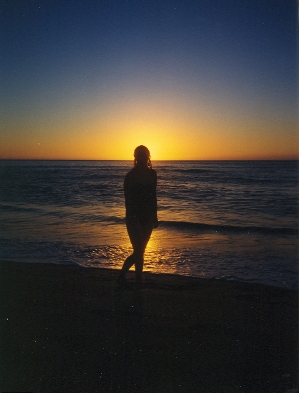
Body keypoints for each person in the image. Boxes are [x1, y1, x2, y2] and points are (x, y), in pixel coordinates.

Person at [118, 145, 158, 286]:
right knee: (139, 250)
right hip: (134, 217)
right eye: (139, 155)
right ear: (136, 157)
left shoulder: (153, 174)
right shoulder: (130, 176)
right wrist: (131, 218)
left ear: (148, 156)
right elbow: (128, 200)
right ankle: (129, 277)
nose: (142, 158)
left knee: (141, 251)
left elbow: (153, 197)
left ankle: (134, 279)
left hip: (147, 217)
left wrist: (155, 216)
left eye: (144, 155)